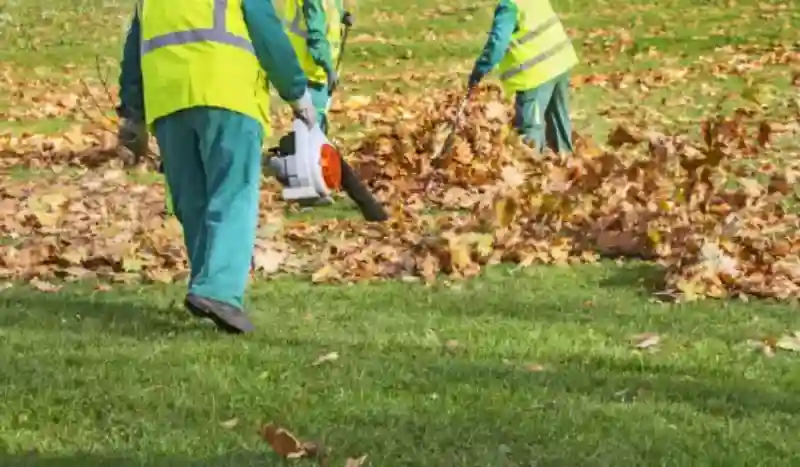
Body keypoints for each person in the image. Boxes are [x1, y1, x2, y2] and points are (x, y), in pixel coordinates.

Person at [116, 0, 317, 334]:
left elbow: (133, 50)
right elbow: (266, 31)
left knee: (191, 200)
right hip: (229, 93)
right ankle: (219, 292)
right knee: (233, 194)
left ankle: (204, 285)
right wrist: (296, 92)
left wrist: (132, 115)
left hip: (169, 101)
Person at [468, 0, 578, 154]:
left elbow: (497, 44)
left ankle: (531, 171)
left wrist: (479, 71)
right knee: (559, 122)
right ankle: (567, 165)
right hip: (559, 62)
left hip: (535, 74)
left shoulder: (509, 6)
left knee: (530, 131)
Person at [280, 0, 348, 134]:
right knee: (311, 128)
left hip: (317, 71)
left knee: (311, 124)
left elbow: (330, 10)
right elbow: (316, 33)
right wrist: (327, 66)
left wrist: (342, 14)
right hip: (310, 70)